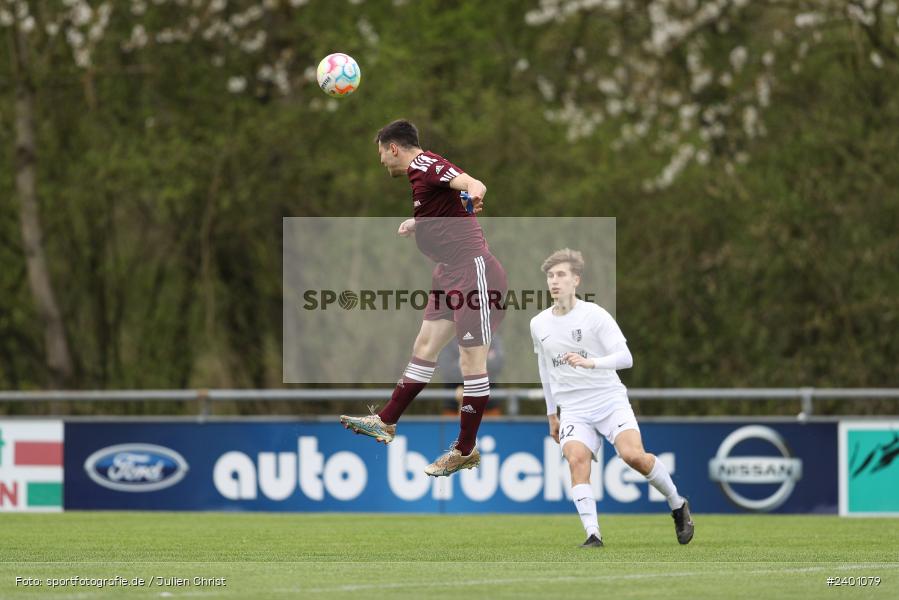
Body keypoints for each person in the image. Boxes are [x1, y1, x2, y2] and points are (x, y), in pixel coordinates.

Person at [340, 119, 507, 477]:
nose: (382, 161)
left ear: (393, 148)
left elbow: (471, 183)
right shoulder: (421, 177)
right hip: (447, 273)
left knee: (470, 364)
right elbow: (445, 206)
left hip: (472, 271)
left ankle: (465, 449)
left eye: (381, 153)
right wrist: (419, 224)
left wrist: (475, 194)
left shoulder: (426, 164)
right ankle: (386, 422)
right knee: (425, 345)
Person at [530, 248, 693, 548]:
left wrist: (592, 362)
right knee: (576, 459)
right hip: (574, 408)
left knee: (633, 456)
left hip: (608, 399)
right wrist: (552, 412)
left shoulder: (595, 315)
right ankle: (593, 534)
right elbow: (544, 367)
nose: (555, 281)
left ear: (576, 280)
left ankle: (677, 503)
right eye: (551, 276)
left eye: (561, 275)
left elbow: (626, 358)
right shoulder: (539, 323)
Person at [437, 335, 505, 417]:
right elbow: (447, 369)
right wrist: (480, 363)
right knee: (452, 429)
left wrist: (464, 364)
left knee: (490, 429)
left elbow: (497, 364)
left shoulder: (490, 336)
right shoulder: (448, 339)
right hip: (452, 405)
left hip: (489, 405)